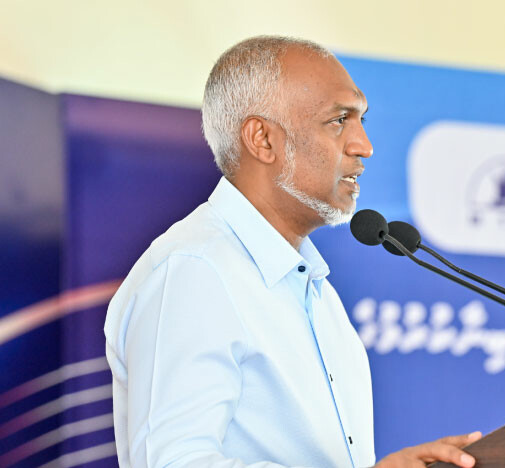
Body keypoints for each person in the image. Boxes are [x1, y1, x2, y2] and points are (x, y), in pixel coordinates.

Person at [104, 35, 481, 468]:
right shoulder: (195, 271)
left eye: (360, 120)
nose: (364, 145)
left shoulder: (315, 292)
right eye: (338, 120)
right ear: (262, 139)